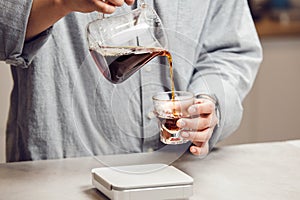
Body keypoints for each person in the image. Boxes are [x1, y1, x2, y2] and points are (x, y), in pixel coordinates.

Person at [0, 0, 262, 162]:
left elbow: (231, 51)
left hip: (179, 174)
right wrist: (59, 3)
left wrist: (208, 102)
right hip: (60, 176)